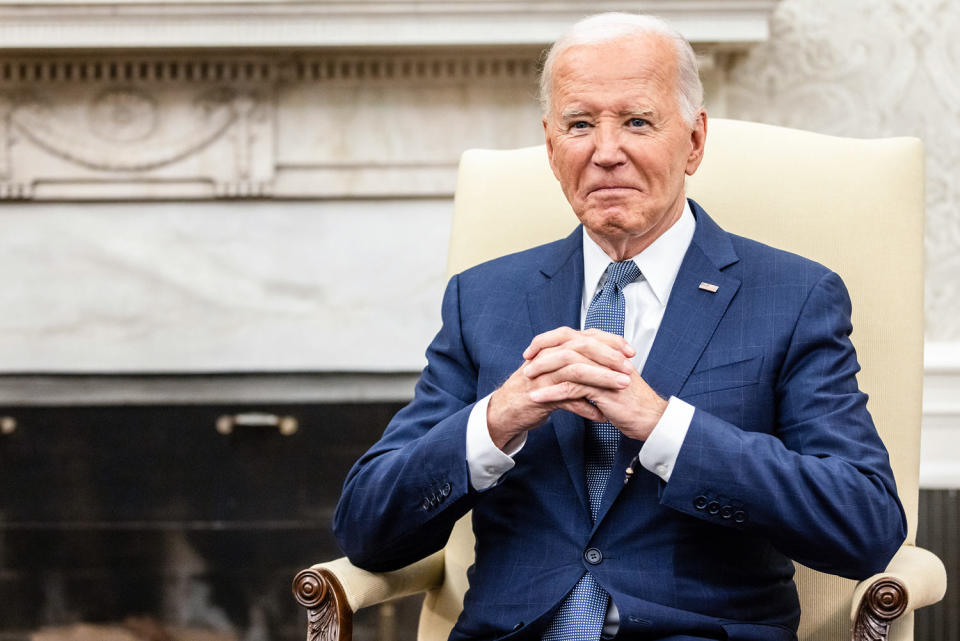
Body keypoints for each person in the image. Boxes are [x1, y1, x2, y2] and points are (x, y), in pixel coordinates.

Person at [333, 12, 906, 641]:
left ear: (693, 141)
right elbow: (366, 528)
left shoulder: (793, 296)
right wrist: (497, 418)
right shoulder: (484, 298)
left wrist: (663, 426)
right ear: (552, 149)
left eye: (637, 121)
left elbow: (865, 526)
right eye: (580, 125)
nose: (606, 152)